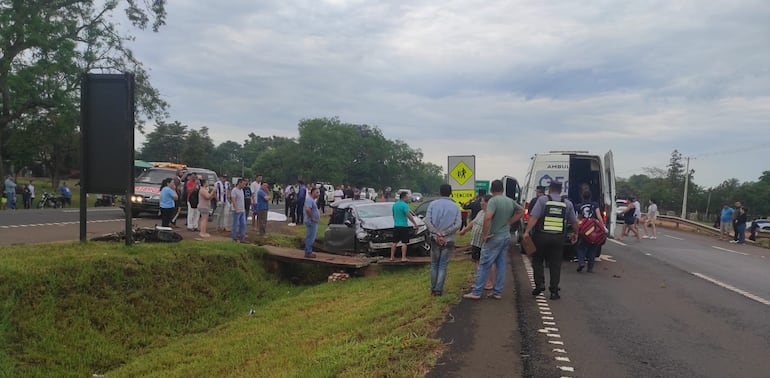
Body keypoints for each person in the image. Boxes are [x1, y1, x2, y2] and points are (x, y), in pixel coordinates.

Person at [463, 180, 524, 300]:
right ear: (502, 189)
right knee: (501, 264)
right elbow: (522, 211)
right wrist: (510, 222)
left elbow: (488, 218)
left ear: (491, 190)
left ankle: (477, 291)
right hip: (506, 235)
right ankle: (497, 292)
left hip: (494, 236)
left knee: (484, 263)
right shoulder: (509, 201)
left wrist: (485, 235)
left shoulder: (493, 201)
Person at [523, 181, 578, 300]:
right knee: (555, 264)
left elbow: (534, 217)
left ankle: (540, 284)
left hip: (541, 236)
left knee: (537, 260)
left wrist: (527, 232)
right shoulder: (567, 203)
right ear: (560, 190)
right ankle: (554, 291)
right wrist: (576, 234)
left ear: (550, 189)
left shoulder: (543, 200)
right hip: (558, 238)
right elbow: (574, 222)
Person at [424, 184, 462, 296]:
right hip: (448, 239)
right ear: (450, 192)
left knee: (434, 264)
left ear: (439, 192)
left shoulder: (432, 204)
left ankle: (432, 288)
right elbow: (458, 224)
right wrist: (444, 234)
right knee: (442, 265)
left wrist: (437, 233)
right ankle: (438, 290)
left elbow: (427, 221)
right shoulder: (455, 206)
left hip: (434, 239)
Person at [458, 194, 493, 289]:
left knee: (485, 263)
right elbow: (473, 223)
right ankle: (479, 282)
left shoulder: (491, 214)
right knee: (477, 262)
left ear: (488, 203)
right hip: (476, 242)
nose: (481, 203)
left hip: (484, 243)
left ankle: (488, 282)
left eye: (483, 201)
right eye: (481, 201)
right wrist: (464, 230)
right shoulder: (481, 212)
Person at [575, 188, 603, 272]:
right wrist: (602, 226)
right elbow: (599, 217)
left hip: (584, 228)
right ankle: (590, 267)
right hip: (594, 228)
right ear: (591, 196)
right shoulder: (595, 205)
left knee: (580, 247)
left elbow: (578, 219)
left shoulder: (579, 206)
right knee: (593, 247)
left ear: (582, 197)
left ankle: (581, 262)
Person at [390, 191, 419, 262]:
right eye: (407, 197)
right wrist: (415, 223)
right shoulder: (404, 205)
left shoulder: (395, 205)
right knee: (404, 242)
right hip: (403, 226)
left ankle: (392, 257)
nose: (408, 198)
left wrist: (396, 221)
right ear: (404, 197)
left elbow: (393, 215)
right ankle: (403, 257)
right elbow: (409, 215)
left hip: (396, 225)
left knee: (394, 242)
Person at [303, 187, 321, 258]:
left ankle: (308, 251)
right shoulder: (309, 200)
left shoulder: (312, 200)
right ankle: (308, 252)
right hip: (311, 221)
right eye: (317, 192)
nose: (318, 194)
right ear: (312, 192)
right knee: (310, 237)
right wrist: (312, 218)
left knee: (311, 237)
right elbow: (308, 209)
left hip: (313, 221)